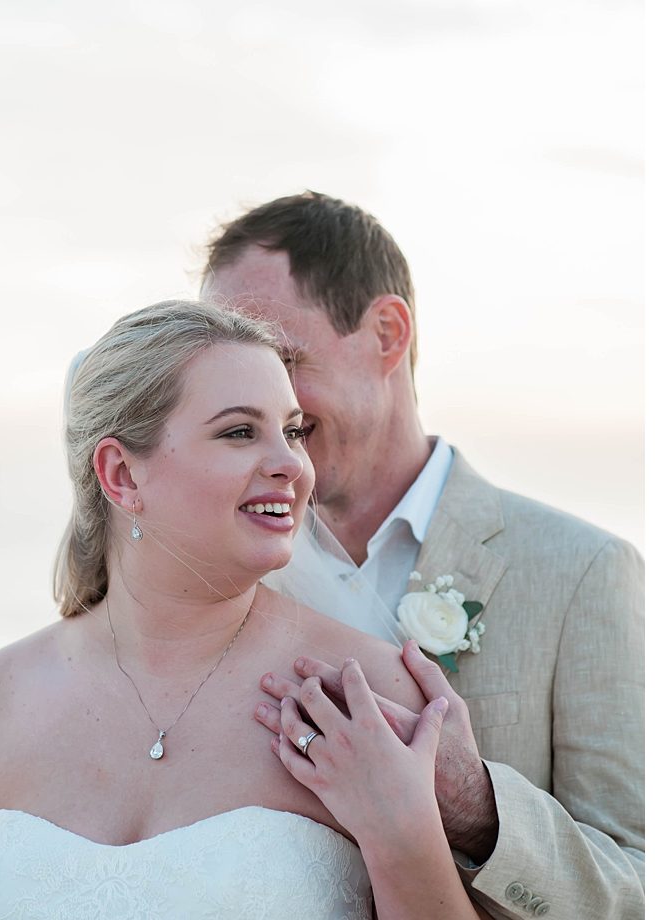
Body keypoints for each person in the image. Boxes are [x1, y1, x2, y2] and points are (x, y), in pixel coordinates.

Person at [0, 300, 495, 919]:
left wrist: (403, 831)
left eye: (293, 431)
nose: (292, 466)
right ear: (121, 475)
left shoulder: (359, 697)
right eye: (239, 432)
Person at [201, 192, 645, 920]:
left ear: (385, 332)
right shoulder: (217, 573)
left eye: (281, 358)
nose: (260, 400)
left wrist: (474, 802)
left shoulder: (582, 572)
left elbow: (631, 893)